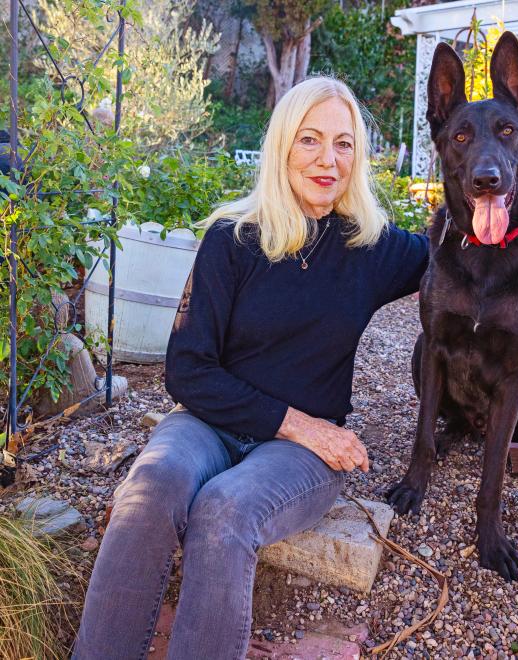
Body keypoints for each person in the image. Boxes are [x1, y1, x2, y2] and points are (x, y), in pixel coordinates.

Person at [73, 77, 428, 660]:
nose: (327, 159)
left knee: (225, 509)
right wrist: (302, 423)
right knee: (151, 487)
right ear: (282, 147)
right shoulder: (232, 239)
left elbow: (467, 252)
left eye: (343, 144)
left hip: (299, 460)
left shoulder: (373, 247)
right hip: (211, 423)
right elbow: (187, 370)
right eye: (309, 140)